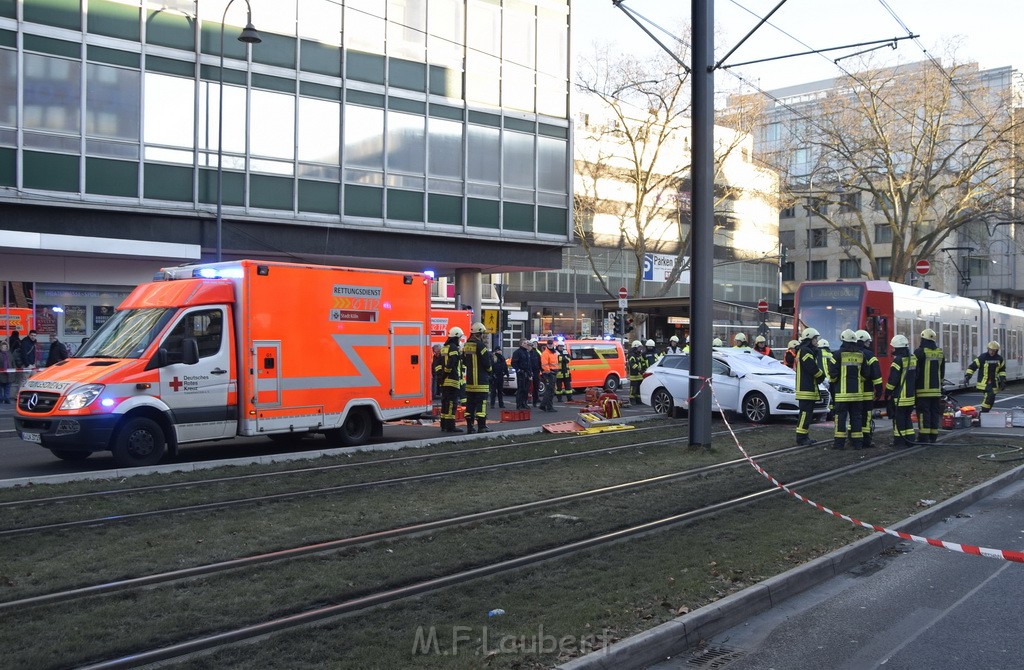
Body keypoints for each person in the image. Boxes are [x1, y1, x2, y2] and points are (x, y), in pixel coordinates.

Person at [831, 329, 871, 450]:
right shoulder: (861, 355)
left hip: (842, 395)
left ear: (843, 340)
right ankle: (857, 443)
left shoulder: (837, 354)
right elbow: (866, 373)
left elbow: (833, 374)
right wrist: (859, 380)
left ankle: (839, 444)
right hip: (857, 395)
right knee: (856, 418)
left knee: (841, 419)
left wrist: (835, 383)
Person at [885, 334, 917, 447]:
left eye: (893, 347)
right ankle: (910, 440)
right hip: (911, 396)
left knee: (898, 421)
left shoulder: (897, 361)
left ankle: (899, 442)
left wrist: (887, 392)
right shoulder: (913, 358)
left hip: (900, 397)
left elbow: (893, 380)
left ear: (897, 347)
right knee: (907, 418)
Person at [914, 328, 945, 443]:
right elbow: (942, 372)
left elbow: (915, 371)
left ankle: (924, 437)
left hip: (922, 390)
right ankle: (933, 436)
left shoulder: (919, 352)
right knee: (934, 413)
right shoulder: (940, 352)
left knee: (923, 413)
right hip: (936, 390)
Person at [794, 327, 823, 445]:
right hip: (806, 389)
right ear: (809, 339)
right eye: (815, 339)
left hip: (807, 389)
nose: (816, 341)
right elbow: (812, 368)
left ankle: (804, 436)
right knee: (805, 414)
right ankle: (801, 438)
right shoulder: (805, 351)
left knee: (806, 414)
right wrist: (821, 376)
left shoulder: (805, 351)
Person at [462, 322, 493, 433]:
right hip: (481, 381)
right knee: (481, 404)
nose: (483, 336)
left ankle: (470, 427)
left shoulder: (466, 345)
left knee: (470, 404)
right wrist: (490, 372)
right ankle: (482, 426)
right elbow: (486, 362)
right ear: (479, 333)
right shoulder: (480, 346)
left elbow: (464, 361)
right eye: (482, 334)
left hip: (470, 382)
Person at [856, 330, 883, 448]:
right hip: (866, 391)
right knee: (866, 415)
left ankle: (854, 438)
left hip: (853, 392)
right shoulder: (870, 355)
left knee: (855, 415)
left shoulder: (851, 353)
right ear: (864, 342)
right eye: (868, 342)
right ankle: (866, 439)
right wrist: (879, 389)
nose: (869, 344)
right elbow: (876, 374)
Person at [964, 341, 1006, 413]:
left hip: (993, 383)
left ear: (997, 350)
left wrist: (1002, 381)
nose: (992, 352)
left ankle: (985, 414)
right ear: (988, 349)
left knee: (991, 400)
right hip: (983, 382)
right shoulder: (982, 357)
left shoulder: (1000, 359)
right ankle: (983, 413)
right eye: (990, 350)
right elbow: (972, 367)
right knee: (990, 396)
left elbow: (1002, 370)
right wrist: (967, 377)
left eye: (994, 350)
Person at [438, 326, 465, 433]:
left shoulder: (444, 348)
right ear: (456, 337)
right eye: (459, 338)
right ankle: (450, 426)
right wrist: (446, 373)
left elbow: (438, 364)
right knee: (451, 404)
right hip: (452, 380)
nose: (460, 340)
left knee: (445, 403)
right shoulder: (453, 348)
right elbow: (451, 362)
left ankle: (443, 425)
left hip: (444, 381)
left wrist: (440, 376)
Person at [817, 338, 836, 420]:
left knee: (823, 397)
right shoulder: (830, 354)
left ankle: (821, 415)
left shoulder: (817, 353)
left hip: (821, 378)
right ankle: (831, 416)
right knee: (831, 399)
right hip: (830, 379)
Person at [510, 339, 532, 410]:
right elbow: (513, 363)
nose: (526, 344)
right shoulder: (517, 352)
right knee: (521, 389)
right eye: (525, 343)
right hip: (521, 373)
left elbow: (528, 364)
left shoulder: (526, 352)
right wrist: (518, 370)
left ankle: (524, 403)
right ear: (521, 344)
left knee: (526, 389)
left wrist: (530, 373)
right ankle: (519, 404)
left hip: (527, 373)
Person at [538, 339, 558, 412]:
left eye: (551, 344)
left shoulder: (553, 352)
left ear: (553, 344)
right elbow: (544, 364)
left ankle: (546, 406)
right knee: (550, 390)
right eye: (549, 344)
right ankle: (546, 406)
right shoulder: (546, 353)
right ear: (547, 345)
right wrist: (548, 372)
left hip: (553, 372)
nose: (550, 345)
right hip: (549, 373)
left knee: (551, 390)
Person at [627, 340, 646, 406]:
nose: (640, 349)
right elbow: (632, 364)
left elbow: (642, 362)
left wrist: (644, 368)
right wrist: (639, 369)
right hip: (634, 375)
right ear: (635, 347)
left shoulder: (639, 354)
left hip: (640, 375)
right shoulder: (631, 355)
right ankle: (632, 399)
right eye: (639, 347)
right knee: (633, 388)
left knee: (639, 388)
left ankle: (638, 399)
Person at [529, 339, 542, 407]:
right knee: (529, 387)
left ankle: (535, 401)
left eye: (536, 343)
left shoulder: (537, 352)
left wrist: (541, 370)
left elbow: (540, 362)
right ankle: (527, 400)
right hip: (529, 372)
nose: (535, 345)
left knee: (536, 387)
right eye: (533, 343)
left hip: (536, 372)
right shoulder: (527, 352)